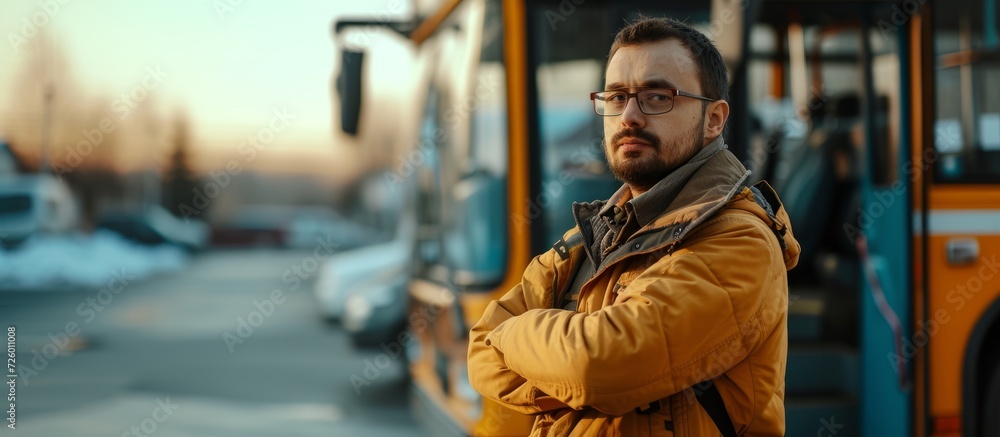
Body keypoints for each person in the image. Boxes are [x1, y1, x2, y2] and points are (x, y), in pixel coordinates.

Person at [468, 16, 800, 436]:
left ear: (715, 119)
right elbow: (480, 346)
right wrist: (566, 374)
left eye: (657, 97)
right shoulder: (593, 235)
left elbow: (599, 363)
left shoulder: (740, 239)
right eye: (616, 96)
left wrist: (515, 337)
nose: (629, 116)